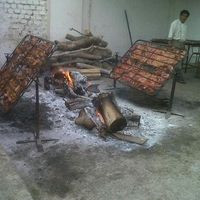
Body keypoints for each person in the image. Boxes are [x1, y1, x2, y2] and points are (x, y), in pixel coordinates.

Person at [168, 10, 190, 84]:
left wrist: (183, 46)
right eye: (183, 15)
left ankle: (174, 76)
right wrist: (170, 44)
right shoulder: (174, 23)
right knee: (177, 62)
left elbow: (183, 37)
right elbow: (170, 33)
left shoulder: (185, 26)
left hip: (181, 44)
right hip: (175, 43)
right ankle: (180, 78)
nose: (184, 17)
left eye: (186, 16)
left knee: (179, 60)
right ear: (180, 15)